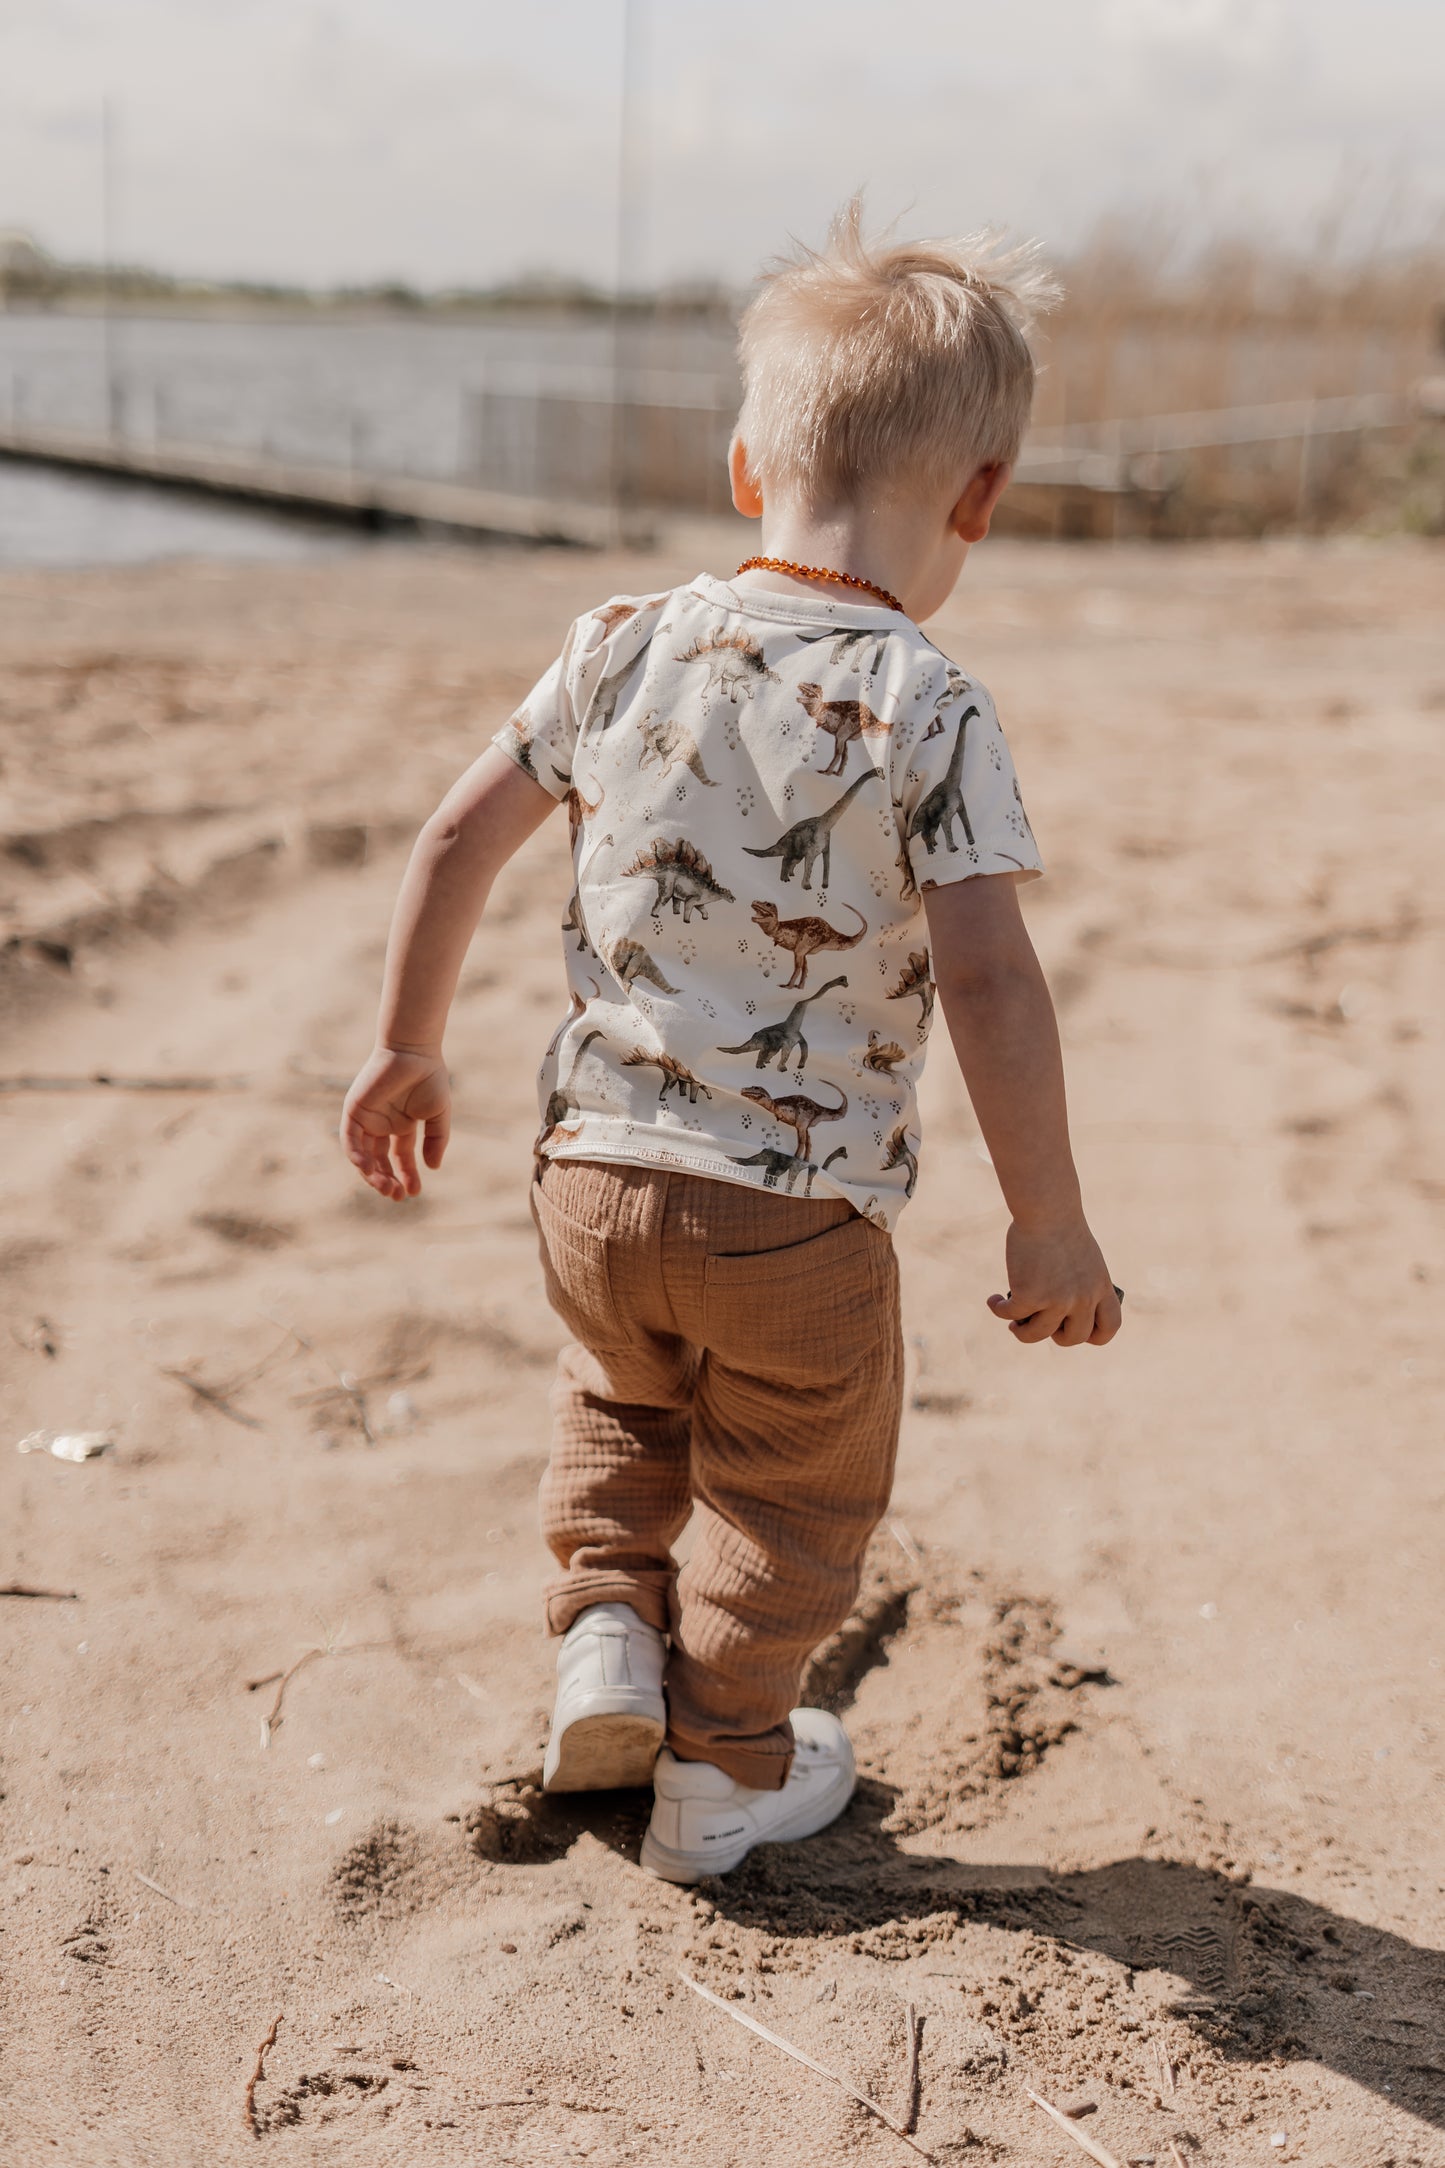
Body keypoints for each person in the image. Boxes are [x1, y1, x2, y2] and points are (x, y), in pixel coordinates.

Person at [341, 200, 1122, 1885]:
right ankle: (726, 1770)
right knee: (791, 1495)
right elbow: (988, 982)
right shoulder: (928, 700)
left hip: (587, 1181)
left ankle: (605, 1641)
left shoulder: (620, 643)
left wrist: (409, 1045)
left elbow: (452, 842)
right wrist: (1046, 1217)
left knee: (621, 1401)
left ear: (744, 464)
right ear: (981, 498)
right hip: (793, 1215)